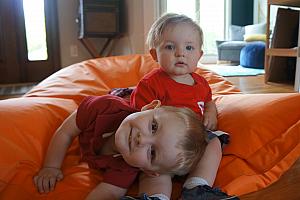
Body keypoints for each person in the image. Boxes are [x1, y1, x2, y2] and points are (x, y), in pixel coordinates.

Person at [127, 13, 239, 200]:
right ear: (155, 54)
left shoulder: (201, 83)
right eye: (170, 47)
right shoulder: (151, 84)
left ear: (199, 55)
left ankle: (197, 186)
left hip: (193, 140)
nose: (180, 53)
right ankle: (156, 196)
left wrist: (211, 112)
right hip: (162, 145)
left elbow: (209, 100)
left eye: (189, 47)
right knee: (154, 169)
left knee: (214, 143)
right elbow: (138, 116)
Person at [33, 95, 208, 200]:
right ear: (148, 108)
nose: (142, 139)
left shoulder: (127, 167)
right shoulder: (102, 107)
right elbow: (65, 132)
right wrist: (51, 167)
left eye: (152, 153)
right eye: (153, 126)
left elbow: (108, 193)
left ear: (148, 171)